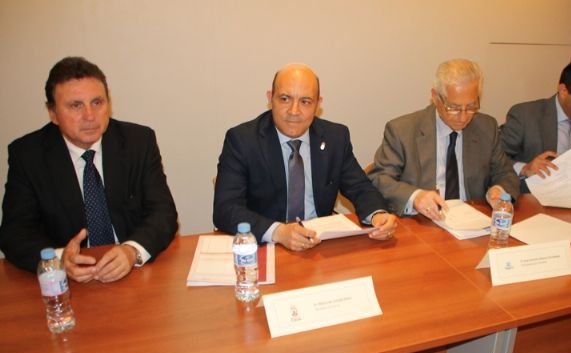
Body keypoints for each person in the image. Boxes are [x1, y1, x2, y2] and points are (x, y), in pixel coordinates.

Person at [0, 56, 178, 282]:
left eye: (97, 102)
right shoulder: (28, 155)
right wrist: (59, 259)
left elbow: (163, 213)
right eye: (76, 105)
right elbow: (14, 233)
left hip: (133, 275)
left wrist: (132, 250)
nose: (90, 116)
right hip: (69, 283)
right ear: (53, 113)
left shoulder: (138, 142)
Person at [213, 63, 397, 251]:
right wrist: (278, 232)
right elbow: (225, 208)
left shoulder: (335, 137)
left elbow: (360, 187)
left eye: (305, 101)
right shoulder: (242, 141)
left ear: (318, 104)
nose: (294, 111)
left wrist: (378, 215)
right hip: (268, 245)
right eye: (285, 99)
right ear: (270, 98)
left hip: (319, 245)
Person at [368, 59, 519, 221]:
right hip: (423, 222)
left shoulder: (486, 127)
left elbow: (505, 173)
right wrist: (415, 197)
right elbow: (379, 178)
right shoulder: (402, 131)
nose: (463, 117)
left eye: (471, 107)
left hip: (472, 220)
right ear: (435, 97)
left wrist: (499, 190)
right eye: (453, 108)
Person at [500, 62, 571, 186]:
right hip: (531, 193)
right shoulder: (525, 115)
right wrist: (524, 168)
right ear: (563, 91)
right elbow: (494, 157)